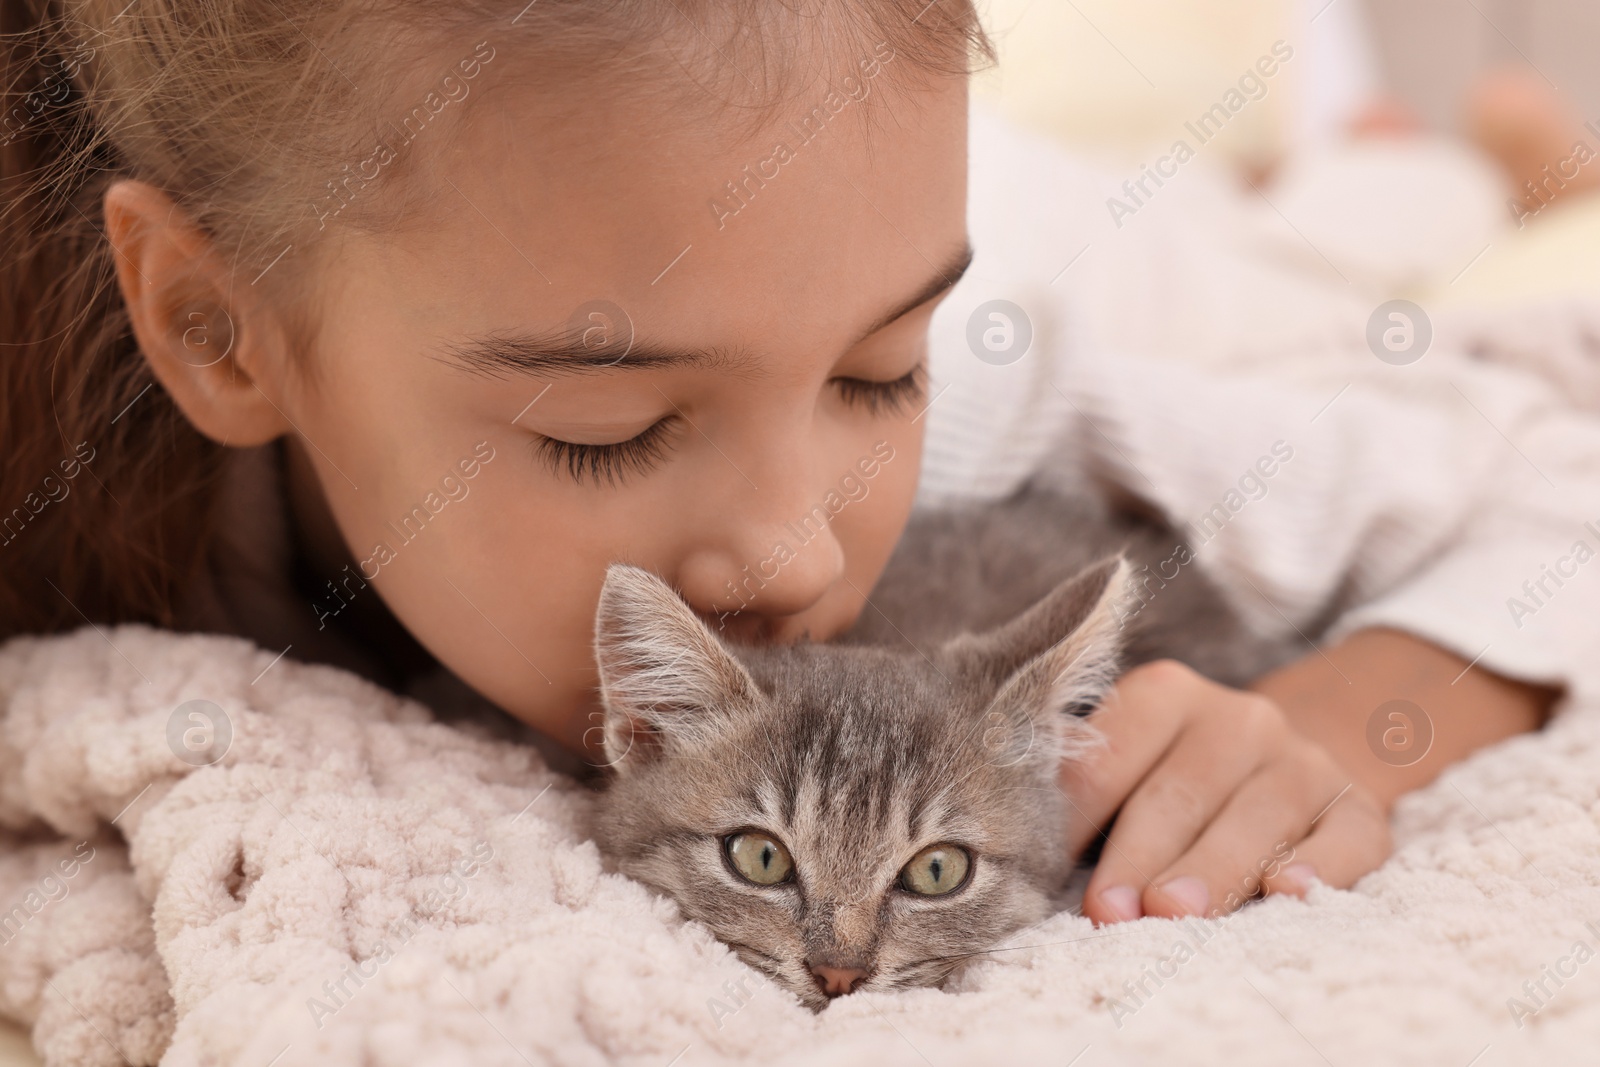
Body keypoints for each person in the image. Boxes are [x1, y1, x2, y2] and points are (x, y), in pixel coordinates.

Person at [0, 0, 1575, 933]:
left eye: (879, 375)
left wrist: (1334, 725)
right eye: (606, 432)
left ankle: (1436, 168)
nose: (795, 555)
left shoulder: (957, 348)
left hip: (1106, 242)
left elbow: (1554, 480)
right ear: (215, 326)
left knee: (1317, 275)